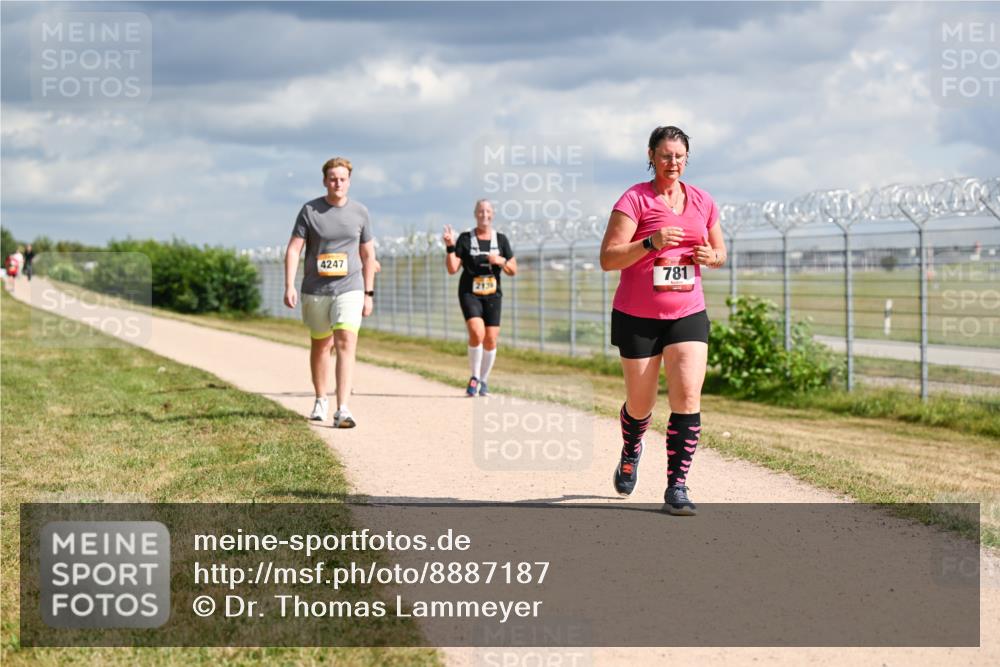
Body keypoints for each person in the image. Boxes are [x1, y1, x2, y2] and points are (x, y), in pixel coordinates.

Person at [599, 126, 727, 515]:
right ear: (651, 156)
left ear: (687, 159)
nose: (673, 162)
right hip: (637, 316)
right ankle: (631, 446)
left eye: (679, 156)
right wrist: (650, 243)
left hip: (687, 312)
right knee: (641, 404)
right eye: (666, 155)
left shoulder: (702, 201)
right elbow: (608, 258)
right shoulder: (634, 199)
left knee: (687, 395)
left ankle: (677, 486)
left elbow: (720, 251)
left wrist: (711, 258)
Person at [284, 157, 376, 428]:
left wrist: (368, 293)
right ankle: (320, 398)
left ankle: (343, 409)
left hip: (350, 287)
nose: (338, 183)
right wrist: (289, 284)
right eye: (333, 179)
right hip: (316, 289)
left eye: (343, 179)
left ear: (349, 182)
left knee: (345, 341)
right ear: (325, 181)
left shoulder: (360, 212)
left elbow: (368, 255)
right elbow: (294, 249)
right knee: (321, 344)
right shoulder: (310, 210)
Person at [442, 199, 517, 397]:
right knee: (477, 333)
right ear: (475, 214)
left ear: (493, 214)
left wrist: (500, 261)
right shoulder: (465, 239)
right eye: (481, 211)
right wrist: (450, 247)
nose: (485, 214)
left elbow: (513, 269)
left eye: (488, 211)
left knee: (491, 339)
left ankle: (484, 381)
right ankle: (474, 377)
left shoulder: (501, 240)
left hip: (493, 294)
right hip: (470, 292)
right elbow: (452, 268)